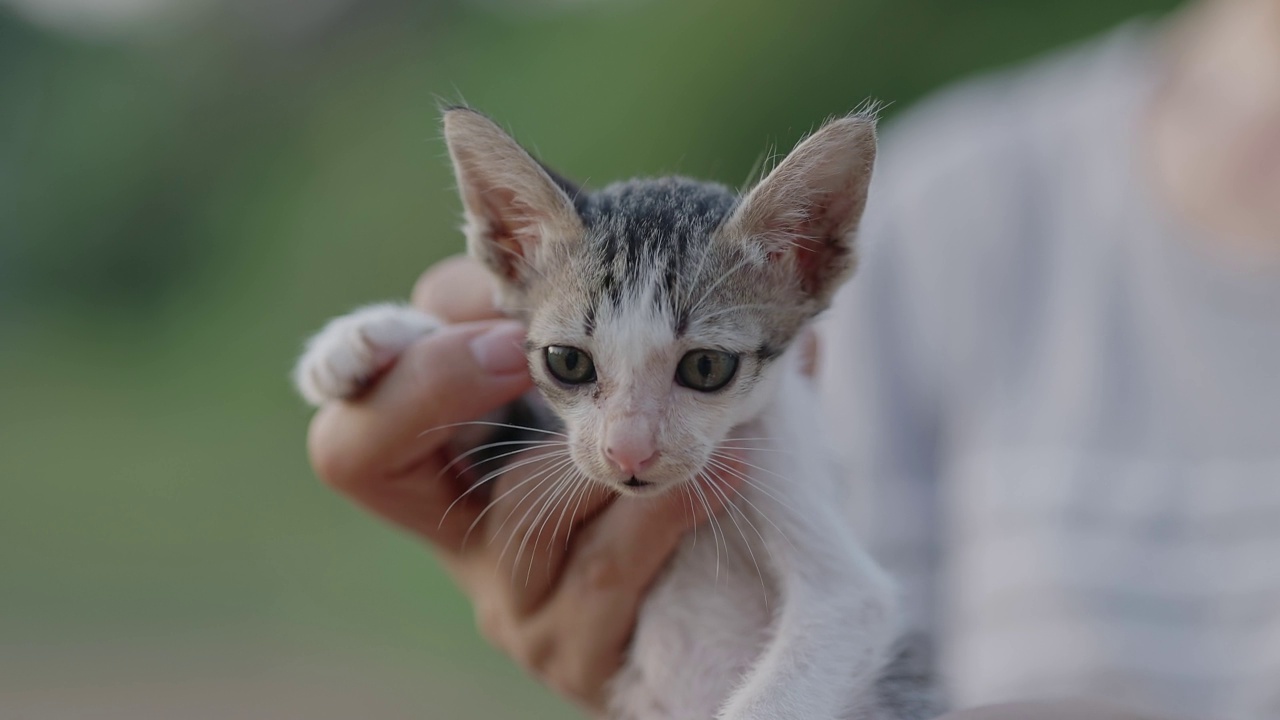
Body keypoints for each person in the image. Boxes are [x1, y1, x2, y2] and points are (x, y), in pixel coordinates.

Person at [303, 0, 1280, 717]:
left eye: (701, 372)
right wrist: (419, 352)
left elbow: (850, 614)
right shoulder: (965, 202)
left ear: (808, 263)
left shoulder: (807, 361)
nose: (628, 443)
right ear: (508, 247)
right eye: (571, 366)